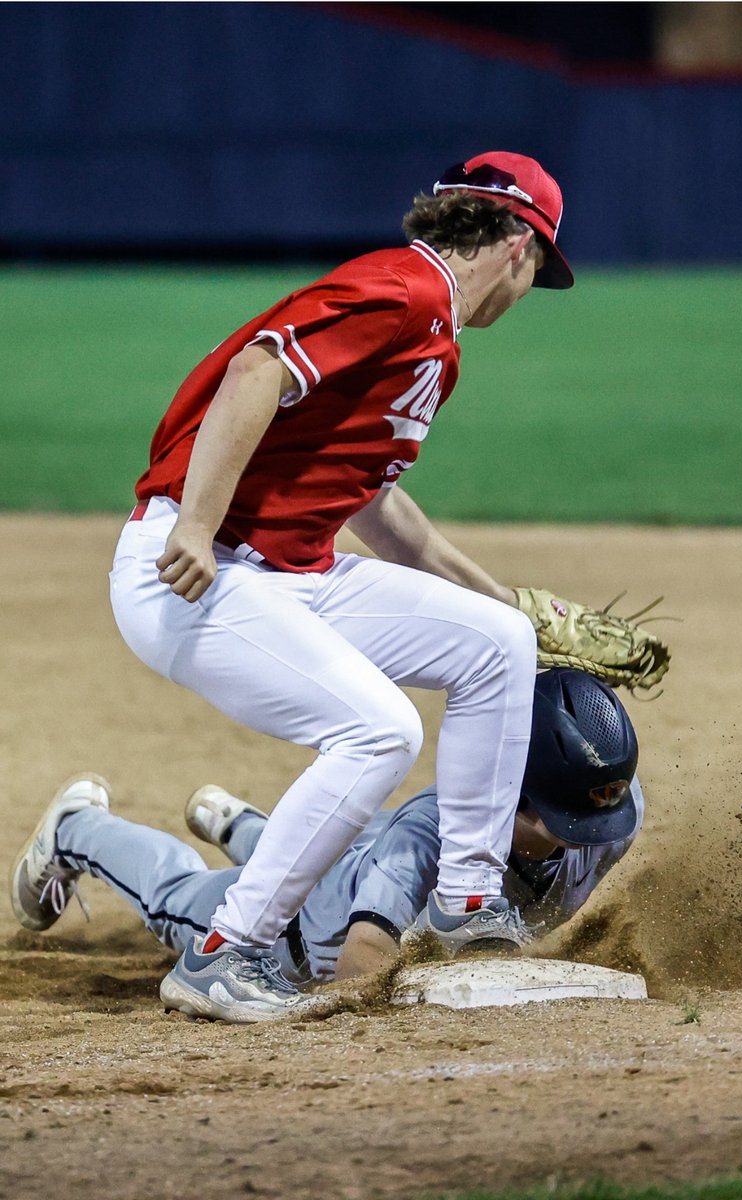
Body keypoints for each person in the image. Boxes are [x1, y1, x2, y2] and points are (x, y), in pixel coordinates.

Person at [106, 150, 581, 1020]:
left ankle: (469, 902)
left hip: (288, 574)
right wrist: (197, 526)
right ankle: (225, 952)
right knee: (379, 732)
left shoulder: (435, 332)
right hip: (191, 574)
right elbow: (257, 370)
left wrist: (505, 599)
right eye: (540, 270)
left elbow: (376, 505)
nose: (529, 291)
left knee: (496, 644)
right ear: (519, 244)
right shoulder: (405, 292)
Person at [11, 670, 643, 1023]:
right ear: (505, 791)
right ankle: (76, 828)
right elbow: (359, 957)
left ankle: (244, 825)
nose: (589, 838)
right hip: (297, 925)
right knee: (175, 896)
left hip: (365, 853)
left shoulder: (613, 806)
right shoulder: (430, 833)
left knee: (356, 845)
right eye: (563, 821)